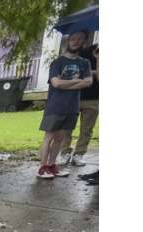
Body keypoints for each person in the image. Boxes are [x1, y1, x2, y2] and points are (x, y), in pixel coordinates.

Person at [36, 30, 92, 179]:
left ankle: (52, 165)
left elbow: (88, 82)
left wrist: (66, 83)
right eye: (73, 39)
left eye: (80, 39)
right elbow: (56, 83)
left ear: (84, 42)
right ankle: (42, 167)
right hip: (55, 105)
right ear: (68, 41)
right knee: (49, 136)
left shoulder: (84, 63)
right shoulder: (57, 63)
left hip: (72, 106)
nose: (76, 42)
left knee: (60, 137)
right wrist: (77, 81)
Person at [59, 42, 98, 167]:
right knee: (67, 127)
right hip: (74, 95)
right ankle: (65, 152)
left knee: (87, 129)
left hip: (95, 98)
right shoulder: (84, 51)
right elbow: (72, 72)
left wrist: (98, 61)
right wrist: (91, 73)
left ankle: (79, 154)